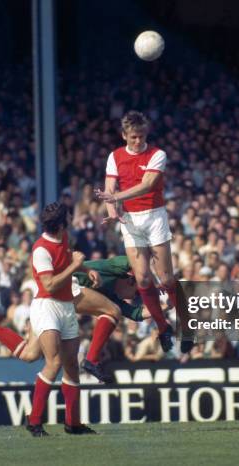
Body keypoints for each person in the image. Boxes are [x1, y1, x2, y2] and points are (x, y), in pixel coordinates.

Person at [0, 255, 149, 384]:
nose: (131, 297)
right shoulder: (115, 267)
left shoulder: (114, 298)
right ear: (131, 278)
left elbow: (137, 314)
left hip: (49, 299)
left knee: (29, 355)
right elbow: (136, 260)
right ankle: (91, 360)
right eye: (135, 292)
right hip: (63, 286)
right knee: (111, 312)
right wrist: (161, 283)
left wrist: (166, 307)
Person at [95, 110, 192, 353]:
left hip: (154, 216)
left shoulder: (157, 154)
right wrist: (112, 209)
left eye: (141, 136)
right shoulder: (114, 156)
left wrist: (116, 197)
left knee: (167, 279)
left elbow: (147, 185)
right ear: (124, 135)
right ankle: (163, 327)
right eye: (133, 137)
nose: (138, 141)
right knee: (142, 278)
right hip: (130, 221)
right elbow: (109, 186)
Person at [25, 202, 100, 437]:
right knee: (54, 362)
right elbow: (49, 284)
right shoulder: (40, 250)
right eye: (67, 216)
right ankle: (34, 421)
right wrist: (76, 265)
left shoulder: (63, 237)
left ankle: (73, 423)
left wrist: (85, 268)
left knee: (71, 367)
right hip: (47, 307)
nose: (69, 218)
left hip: (66, 306)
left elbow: (67, 258)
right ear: (60, 224)